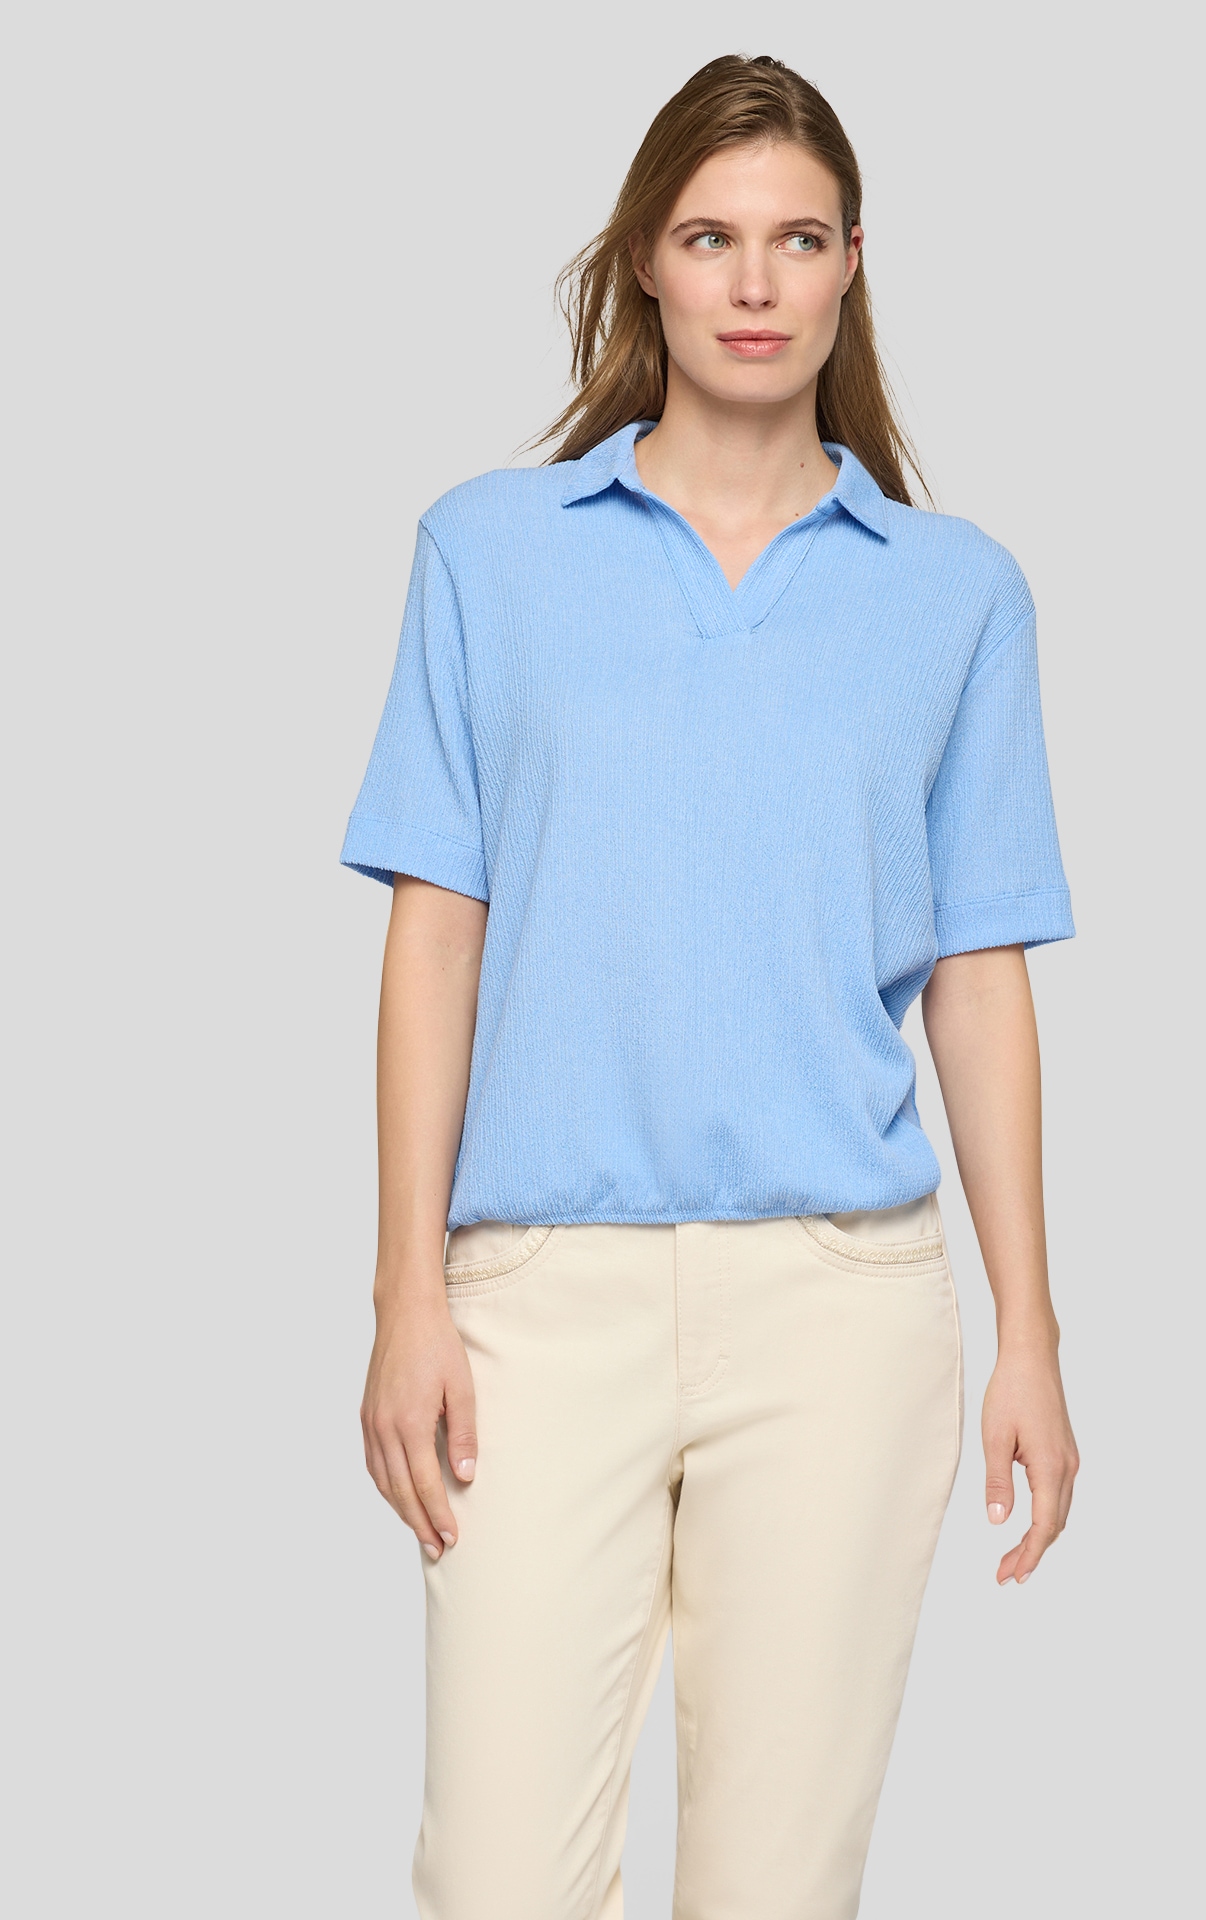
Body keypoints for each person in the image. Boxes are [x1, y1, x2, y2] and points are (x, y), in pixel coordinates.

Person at [342, 51, 1079, 1920]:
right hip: (536, 1306)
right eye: (711, 237)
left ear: (851, 267)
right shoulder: (489, 556)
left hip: (840, 1307)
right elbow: (436, 936)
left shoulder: (954, 595)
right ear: (645, 264)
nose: (756, 282)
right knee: (496, 1880)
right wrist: (407, 1292)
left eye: (798, 239)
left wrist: (1033, 1334)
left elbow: (977, 975)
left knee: (776, 1890)